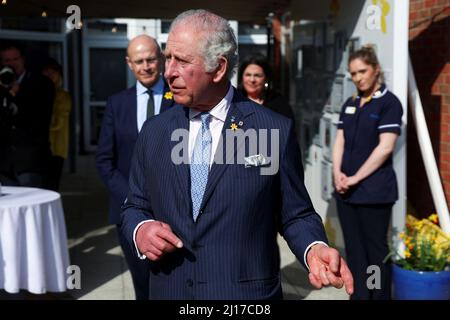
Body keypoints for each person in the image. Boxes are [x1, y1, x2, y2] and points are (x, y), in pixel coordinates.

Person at [121, 9, 353, 300]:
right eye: (168, 58)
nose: (168, 71)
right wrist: (141, 229)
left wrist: (313, 248)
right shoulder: (154, 131)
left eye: (181, 60)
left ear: (218, 68)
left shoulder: (273, 130)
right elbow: (134, 206)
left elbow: (296, 213)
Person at [96, 35, 175, 300]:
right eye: (139, 61)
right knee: (143, 284)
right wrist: (132, 198)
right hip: (130, 213)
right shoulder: (117, 103)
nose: (146, 66)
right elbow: (105, 160)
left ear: (161, 58)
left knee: (174, 284)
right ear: (129, 64)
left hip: (174, 211)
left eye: (151, 59)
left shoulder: (179, 97)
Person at [332, 45, 403, 300]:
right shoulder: (350, 104)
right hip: (346, 192)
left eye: (362, 71)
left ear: (376, 70)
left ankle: (377, 296)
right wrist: (337, 173)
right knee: (354, 251)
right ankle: (360, 295)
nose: (358, 77)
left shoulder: (389, 103)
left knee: (375, 253)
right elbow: (339, 140)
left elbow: (385, 148)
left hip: (374, 193)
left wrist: (355, 178)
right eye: (353, 73)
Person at [0, 43, 54, 188]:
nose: (11, 64)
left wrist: (16, 94)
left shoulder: (41, 83)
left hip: (30, 162)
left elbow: (38, 117)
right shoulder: (1, 86)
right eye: (6, 60)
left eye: (15, 59)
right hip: (5, 163)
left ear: (23, 60)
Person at [42, 58, 72, 191]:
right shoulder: (35, 93)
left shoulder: (63, 96)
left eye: (53, 72)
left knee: (51, 187)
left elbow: (57, 122)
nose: (49, 75)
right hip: (37, 150)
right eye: (46, 72)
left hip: (56, 149)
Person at [238, 54, 294, 120]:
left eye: (257, 75)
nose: (252, 80)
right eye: (248, 75)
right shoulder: (234, 100)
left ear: (266, 79)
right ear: (242, 77)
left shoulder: (279, 104)